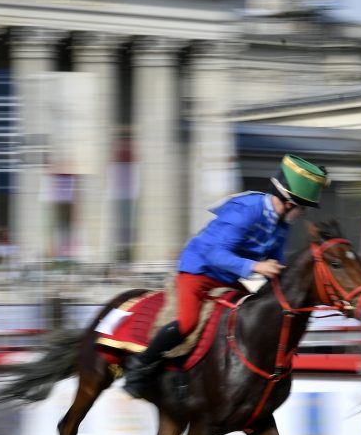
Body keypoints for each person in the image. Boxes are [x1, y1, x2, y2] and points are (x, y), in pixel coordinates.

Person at [123, 154, 329, 398]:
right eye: (302, 207)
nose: (303, 213)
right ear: (289, 202)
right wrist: (256, 266)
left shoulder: (282, 226)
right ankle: (139, 367)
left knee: (250, 319)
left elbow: (276, 264)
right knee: (188, 322)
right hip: (199, 270)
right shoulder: (247, 210)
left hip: (228, 278)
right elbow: (215, 254)